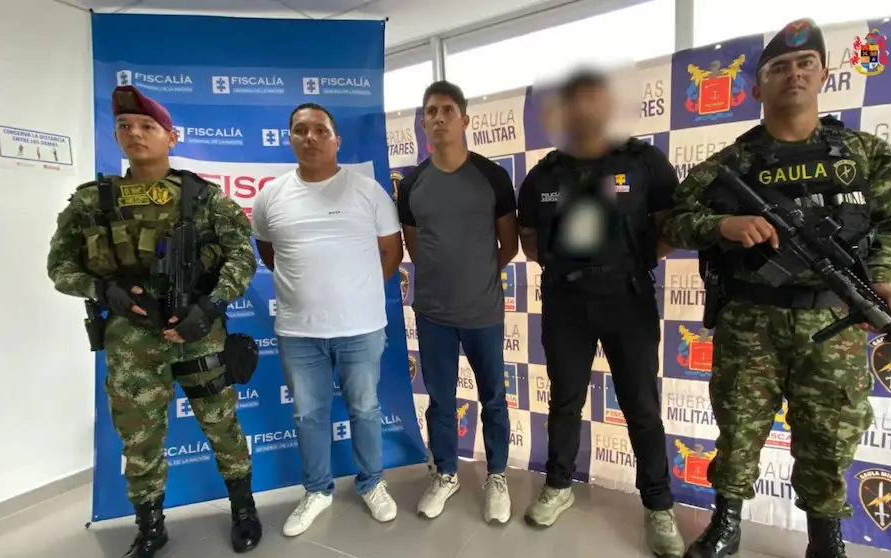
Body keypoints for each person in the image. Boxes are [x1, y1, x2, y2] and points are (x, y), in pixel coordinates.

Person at [662, 19, 891, 558]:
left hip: (835, 321)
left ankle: (825, 537)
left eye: (805, 64)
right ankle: (726, 524)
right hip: (750, 319)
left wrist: (883, 278)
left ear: (824, 75)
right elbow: (675, 220)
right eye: (778, 67)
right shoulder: (731, 163)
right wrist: (722, 225)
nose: (793, 74)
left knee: (830, 433)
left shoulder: (865, 155)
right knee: (739, 425)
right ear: (757, 88)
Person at [46, 85, 263, 557]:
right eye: (125, 126)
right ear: (116, 136)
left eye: (148, 126)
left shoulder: (205, 198)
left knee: (221, 424)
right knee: (139, 439)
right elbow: (59, 268)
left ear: (171, 137)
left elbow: (242, 258)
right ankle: (150, 528)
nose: (135, 133)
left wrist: (210, 307)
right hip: (131, 342)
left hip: (199, 333)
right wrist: (103, 290)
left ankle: (244, 510)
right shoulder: (91, 202)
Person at [516, 68, 685, 557]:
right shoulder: (543, 175)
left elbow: (668, 228)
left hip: (628, 300)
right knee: (564, 402)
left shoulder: (644, 162)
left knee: (641, 406)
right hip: (565, 303)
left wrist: (625, 265)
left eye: (594, 98)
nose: (584, 108)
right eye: (575, 100)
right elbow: (530, 241)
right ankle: (558, 486)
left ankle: (659, 506)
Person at [252, 103, 404, 537]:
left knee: (365, 408)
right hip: (299, 332)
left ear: (337, 140)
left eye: (321, 130)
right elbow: (269, 253)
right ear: (290, 139)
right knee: (308, 415)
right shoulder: (270, 196)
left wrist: (357, 291)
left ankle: (372, 482)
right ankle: (317, 490)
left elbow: (391, 251)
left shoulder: (368, 191)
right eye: (300, 130)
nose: (310, 138)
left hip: (361, 328)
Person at [396, 80, 519, 523]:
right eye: (430, 111)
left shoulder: (492, 177)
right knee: (441, 400)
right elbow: (416, 249)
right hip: (433, 314)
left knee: (494, 398)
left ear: (464, 119)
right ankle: (446, 473)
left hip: (483, 313)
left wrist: (476, 276)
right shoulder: (413, 184)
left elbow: (509, 245)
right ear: (423, 123)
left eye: (447, 110)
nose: (438, 118)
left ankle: (497, 476)